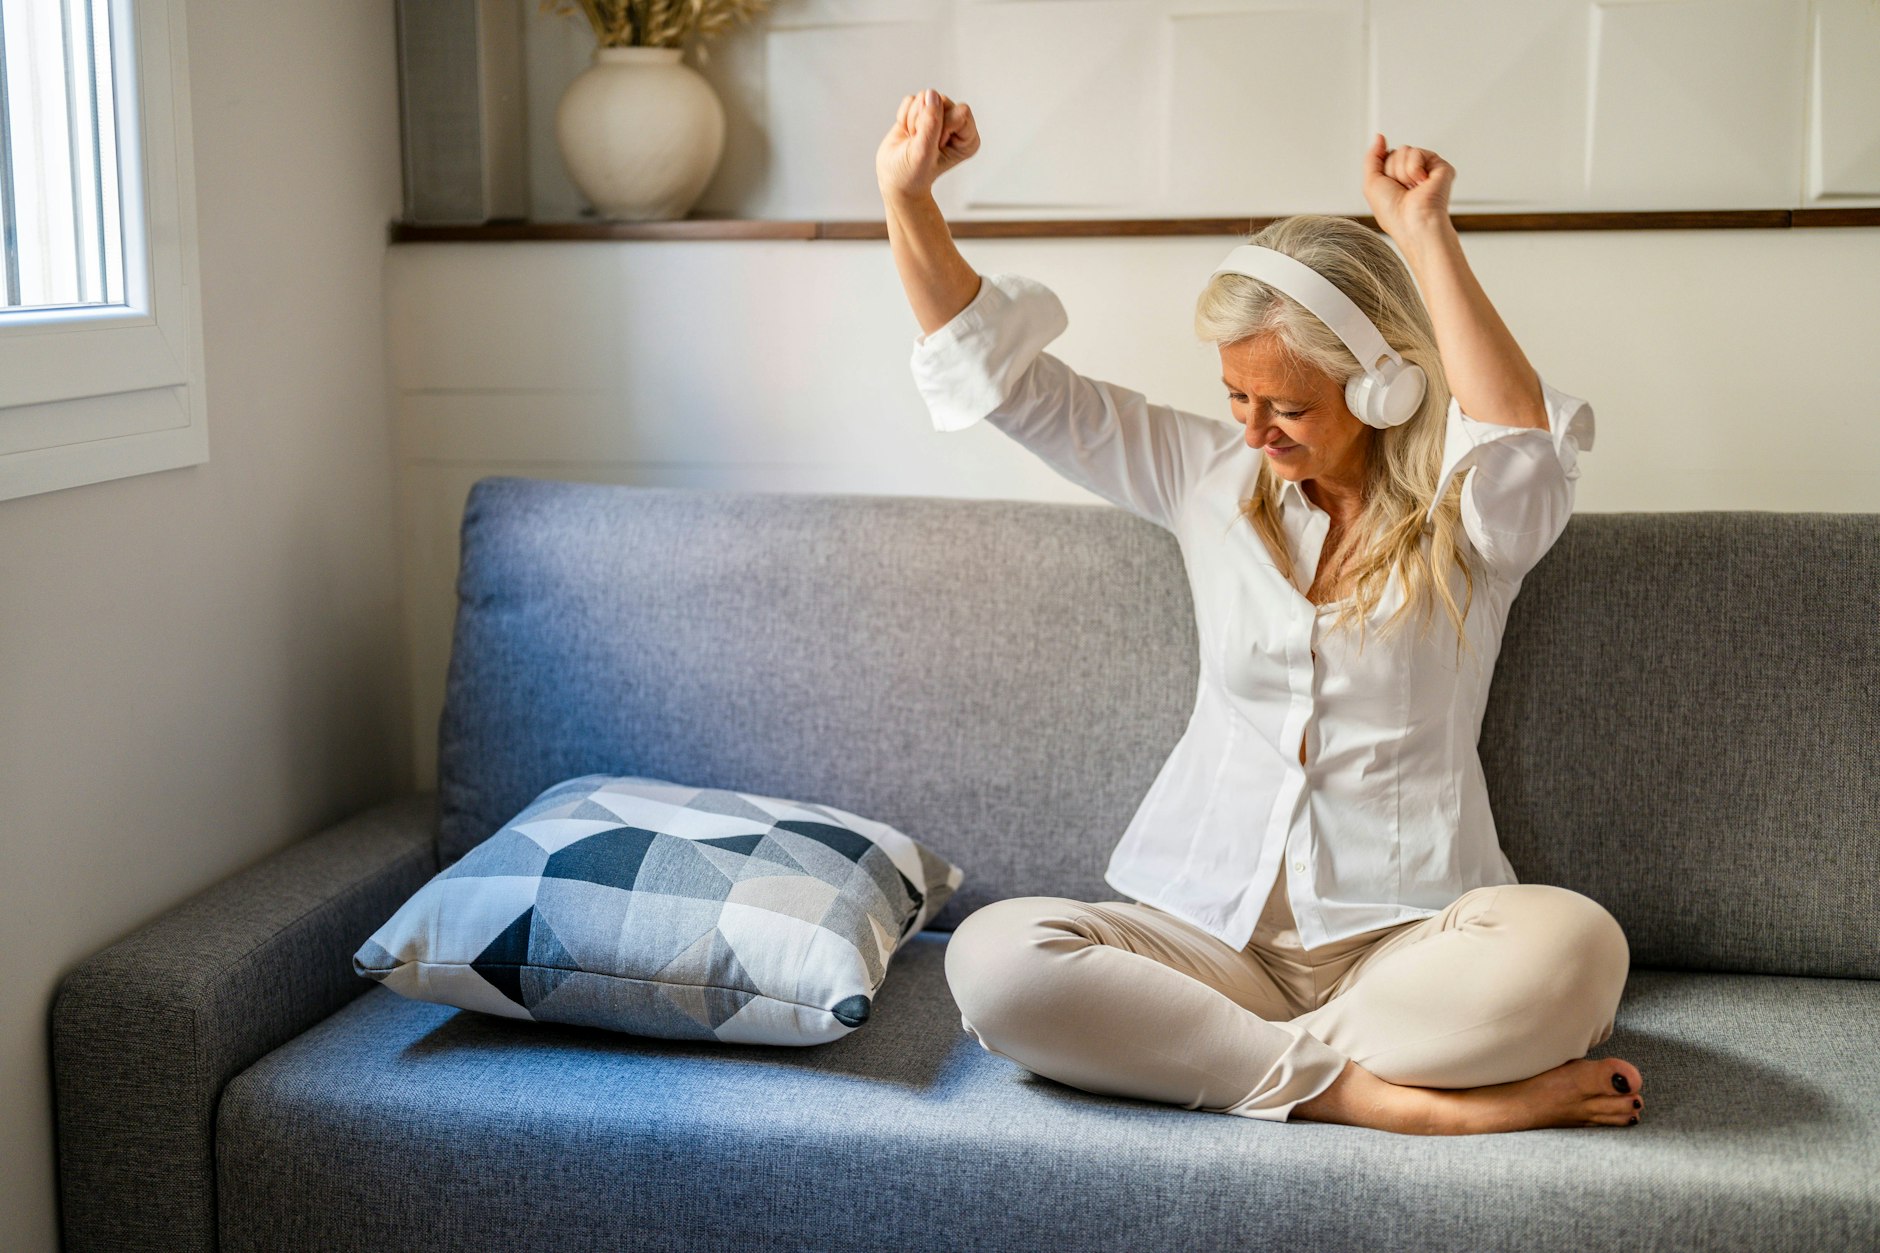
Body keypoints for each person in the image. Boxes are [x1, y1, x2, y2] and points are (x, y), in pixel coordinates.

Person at [876, 87, 1644, 1136]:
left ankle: (1240, 1064)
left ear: (1383, 388)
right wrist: (906, 197)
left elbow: (1516, 448)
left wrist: (1422, 232)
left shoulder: (1468, 522)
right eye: (1237, 397)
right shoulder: (1201, 477)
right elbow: (1013, 389)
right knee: (996, 959)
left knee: (1578, 945)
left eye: (1286, 407)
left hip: (1406, 949)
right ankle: (1386, 1100)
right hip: (1208, 946)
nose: (1253, 431)